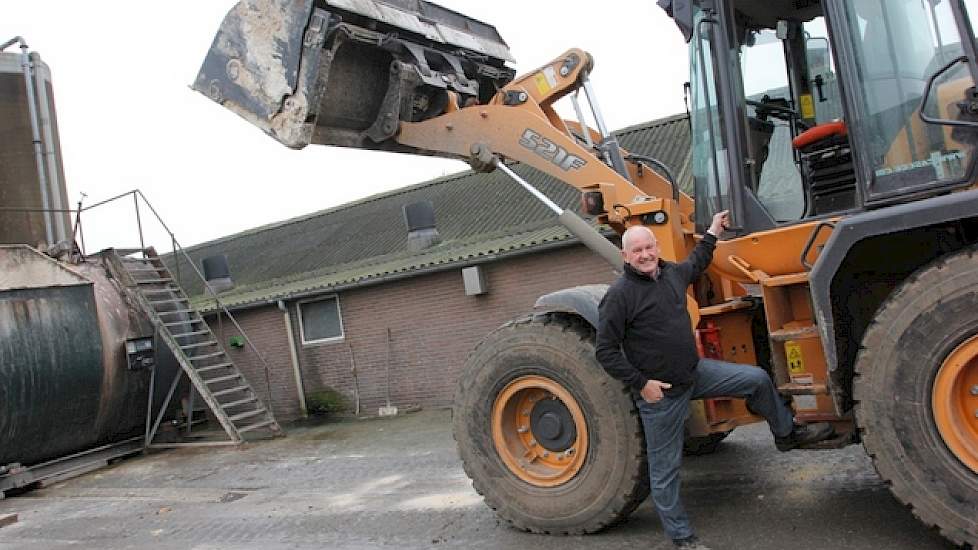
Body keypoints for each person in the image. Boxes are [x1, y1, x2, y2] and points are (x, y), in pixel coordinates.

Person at [595, 211, 834, 550]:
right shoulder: (619, 296)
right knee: (665, 473)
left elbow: (698, 260)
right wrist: (642, 383)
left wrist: (712, 232)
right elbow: (605, 351)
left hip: (696, 373)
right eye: (637, 251)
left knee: (756, 379)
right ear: (625, 256)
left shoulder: (672, 275)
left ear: (656, 247)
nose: (646, 255)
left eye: (649, 247)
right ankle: (682, 539)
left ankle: (786, 433)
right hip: (662, 395)